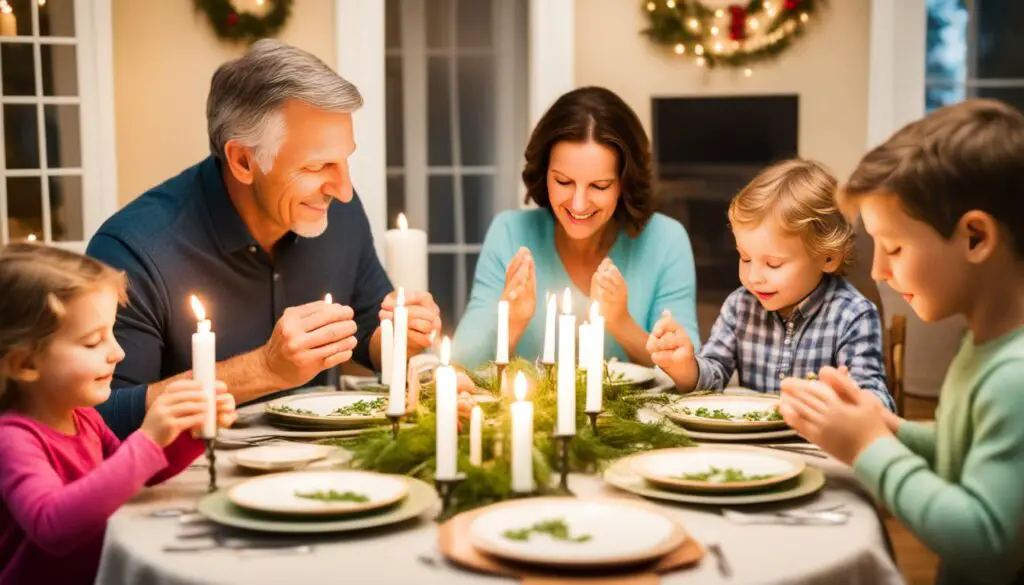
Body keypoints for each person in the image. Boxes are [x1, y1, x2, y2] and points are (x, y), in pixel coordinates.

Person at [87, 40, 440, 439]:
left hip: (324, 471)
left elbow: (365, 331)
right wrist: (265, 369)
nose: (343, 190)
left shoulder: (338, 211)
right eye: (317, 165)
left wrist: (398, 338)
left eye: (345, 160)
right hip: (187, 483)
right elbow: (96, 420)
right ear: (242, 161)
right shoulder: (133, 249)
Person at [779, 99, 1024, 585]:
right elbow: (965, 447)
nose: (877, 272)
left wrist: (869, 447)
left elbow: (986, 543)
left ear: (975, 237)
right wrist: (888, 428)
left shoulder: (1015, 375)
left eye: (893, 248)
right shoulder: (985, 345)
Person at [0, 245, 236, 585]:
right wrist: (148, 438)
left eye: (112, 333)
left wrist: (187, 432)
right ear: (25, 363)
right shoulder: (14, 439)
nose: (117, 352)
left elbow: (130, 477)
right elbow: (52, 525)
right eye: (93, 341)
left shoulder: (84, 418)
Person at [453, 86, 700, 368]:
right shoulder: (510, 232)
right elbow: (459, 366)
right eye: (563, 182)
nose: (579, 204)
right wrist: (512, 321)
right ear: (544, 172)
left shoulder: (666, 240)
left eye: (599, 185)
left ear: (624, 182)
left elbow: (689, 371)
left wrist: (620, 323)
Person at [647, 159, 893, 410]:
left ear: (828, 257)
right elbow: (715, 375)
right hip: (754, 444)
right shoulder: (740, 306)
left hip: (817, 446)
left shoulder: (853, 315)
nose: (754, 276)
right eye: (745, 258)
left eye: (773, 264)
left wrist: (846, 398)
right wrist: (685, 367)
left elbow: (879, 403)